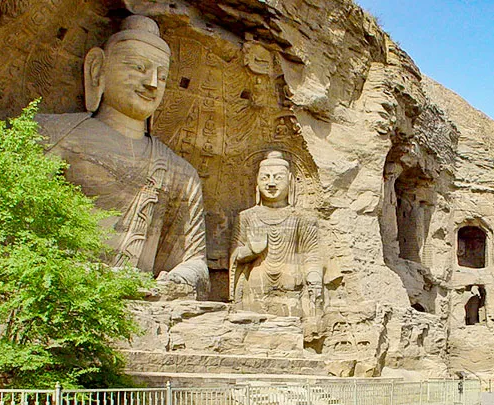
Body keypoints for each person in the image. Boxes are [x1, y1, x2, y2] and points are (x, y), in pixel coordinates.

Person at [37, 15, 208, 296]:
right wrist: (65, 268)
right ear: (97, 69)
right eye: (138, 67)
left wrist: (182, 278)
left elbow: (194, 261)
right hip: (58, 292)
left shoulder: (181, 171)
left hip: (140, 298)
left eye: (162, 76)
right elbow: (13, 227)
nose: (152, 83)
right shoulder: (54, 136)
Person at [230, 151, 323, 311]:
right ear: (256, 182)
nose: (271, 184)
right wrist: (250, 251)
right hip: (255, 290)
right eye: (265, 178)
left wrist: (314, 276)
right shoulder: (246, 217)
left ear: (290, 181)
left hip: (293, 292)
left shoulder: (303, 217)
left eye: (278, 178)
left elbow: (311, 254)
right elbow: (234, 256)